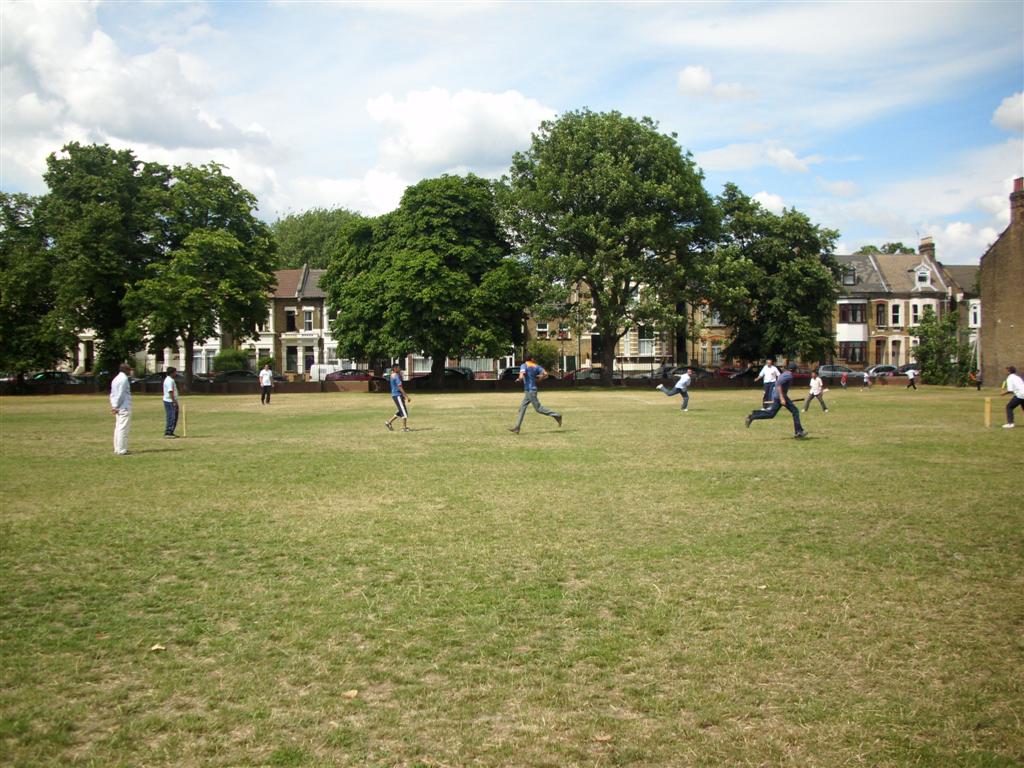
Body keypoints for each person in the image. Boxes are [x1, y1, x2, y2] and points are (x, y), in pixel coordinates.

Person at [745, 362, 807, 438]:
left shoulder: (784, 374)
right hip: (780, 396)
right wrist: (782, 398)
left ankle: (753, 415)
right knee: (795, 411)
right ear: (794, 370)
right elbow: (778, 385)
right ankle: (798, 432)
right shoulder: (788, 376)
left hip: (779, 396)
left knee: (771, 414)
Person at [510, 357, 562, 434]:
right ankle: (517, 428)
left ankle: (557, 415)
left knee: (538, 409)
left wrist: (518, 380)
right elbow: (546, 374)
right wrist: (539, 379)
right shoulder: (536, 366)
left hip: (530, 391)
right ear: (531, 359)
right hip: (530, 390)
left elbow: (521, 376)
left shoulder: (524, 365)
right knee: (522, 407)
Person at [109, 362, 133, 455]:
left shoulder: (115, 379)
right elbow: (121, 394)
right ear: (126, 370)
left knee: (118, 428)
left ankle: (117, 448)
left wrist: (114, 405)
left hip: (118, 407)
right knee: (123, 429)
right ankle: (122, 449)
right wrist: (116, 406)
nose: (130, 371)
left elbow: (112, 394)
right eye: (129, 369)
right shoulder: (123, 379)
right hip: (124, 407)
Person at [384, 364, 411, 432]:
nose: (400, 369)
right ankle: (404, 428)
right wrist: (406, 396)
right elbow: (399, 387)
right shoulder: (396, 376)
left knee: (401, 410)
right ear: (395, 368)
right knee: (404, 412)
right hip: (397, 395)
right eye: (399, 368)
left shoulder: (392, 375)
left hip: (396, 395)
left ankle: (389, 422)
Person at [162, 367, 179, 438]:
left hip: (171, 401)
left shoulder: (171, 380)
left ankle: (171, 432)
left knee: (174, 416)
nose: (176, 373)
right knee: (171, 416)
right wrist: (174, 401)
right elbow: (170, 391)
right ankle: (168, 432)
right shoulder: (169, 380)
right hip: (169, 401)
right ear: (172, 372)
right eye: (175, 372)